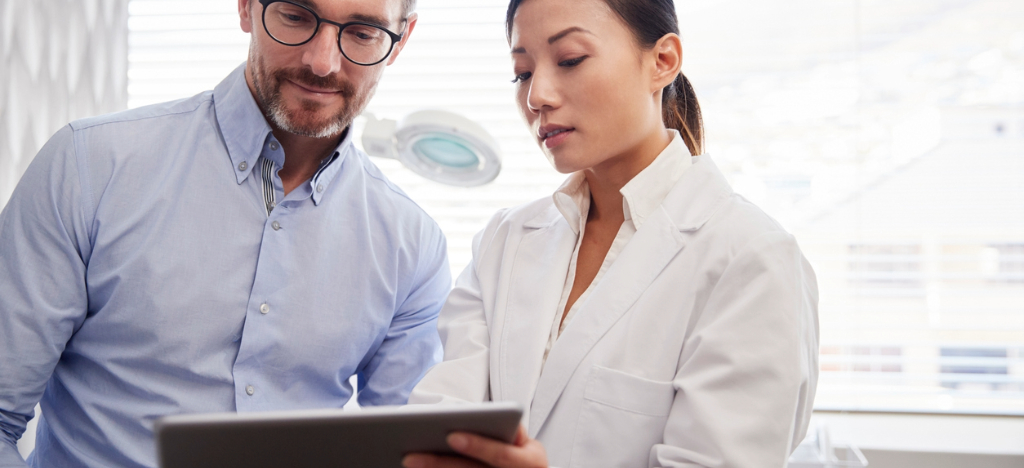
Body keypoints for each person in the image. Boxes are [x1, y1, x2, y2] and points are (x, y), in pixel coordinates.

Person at [0, 0, 450, 466]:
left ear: (400, 41)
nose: (322, 62)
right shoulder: (89, 166)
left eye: (362, 33)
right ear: (246, 8)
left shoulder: (413, 246)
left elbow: (413, 454)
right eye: (296, 16)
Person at [402, 0, 819, 467]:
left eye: (571, 60)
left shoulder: (751, 260)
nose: (537, 94)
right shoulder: (504, 242)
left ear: (662, 61)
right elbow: (439, 431)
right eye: (522, 72)